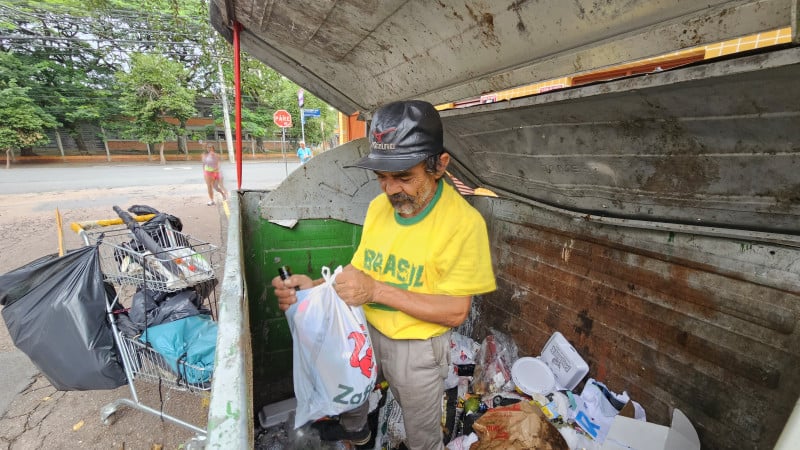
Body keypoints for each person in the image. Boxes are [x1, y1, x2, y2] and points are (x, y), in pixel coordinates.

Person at [272, 100, 496, 449]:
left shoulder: (463, 225)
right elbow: (361, 270)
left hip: (417, 350)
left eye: (404, 177)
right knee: (352, 394)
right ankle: (358, 432)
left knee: (422, 436)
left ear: (439, 165)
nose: (391, 189)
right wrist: (313, 287)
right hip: (364, 329)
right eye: (382, 178)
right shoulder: (379, 208)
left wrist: (376, 291)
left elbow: (456, 311)